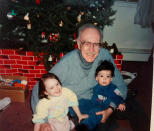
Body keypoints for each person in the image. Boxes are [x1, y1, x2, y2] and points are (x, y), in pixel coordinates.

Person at [31, 23, 127, 131]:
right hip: (78, 105)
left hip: (100, 98)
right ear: (78, 43)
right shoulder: (67, 63)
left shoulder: (104, 55)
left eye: (96, 44)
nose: (92, 49)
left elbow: (121, 85)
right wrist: (44, 122)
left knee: (125, 109)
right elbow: (38, 89)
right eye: (87, 43)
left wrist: (110, 110)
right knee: (99, 125)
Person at [76, 60, 126, 130]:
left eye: (108, 76)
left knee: (96, 113)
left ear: (111, 79)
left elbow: (118, 96)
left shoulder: (112, 88)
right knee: (81, 102)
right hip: (92, 103)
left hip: (102, 107)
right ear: (97, 78)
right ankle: (71, 112)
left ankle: (85, 126)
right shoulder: (96, 86)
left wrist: (121, 103)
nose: (104, 79)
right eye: (102, 76)